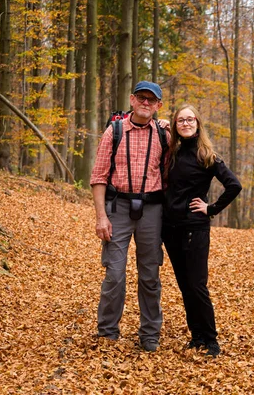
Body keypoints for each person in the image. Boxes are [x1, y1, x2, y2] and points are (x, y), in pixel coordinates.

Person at [90, 81, 169, 352]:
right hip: (118, 208)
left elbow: (176, 169)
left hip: (152, 210)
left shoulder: (163, 135)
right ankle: (107, 331)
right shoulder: (114, 131)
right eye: (141, 98)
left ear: (159, 105)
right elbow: (99, 176)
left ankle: (150, 334)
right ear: (132, 100)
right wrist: (101, 217)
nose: (146, 103)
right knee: (114, 272)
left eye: (152, 100)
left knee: (150, 275)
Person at [162, 105, 242, 357]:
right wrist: (162, 123)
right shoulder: (172, 153)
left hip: (194, 229)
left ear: (198, 123)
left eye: (190, 119)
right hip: (170, 230)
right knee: (185, 285)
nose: (185, 123)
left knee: (197, 285)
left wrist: (211, 208)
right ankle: (196, 336)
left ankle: (211, 341)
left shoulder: (207, 155)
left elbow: (234, 185)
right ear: (176, 126)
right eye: (180, 120)